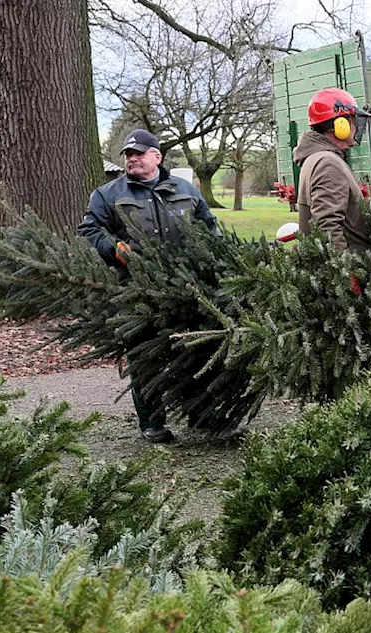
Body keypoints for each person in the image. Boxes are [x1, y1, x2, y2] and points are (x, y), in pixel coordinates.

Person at [78, 128, 219, 443]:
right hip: (137, 290)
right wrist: (113, 248)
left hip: (187, 288)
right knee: (145, 358)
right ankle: (152, 423)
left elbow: (210, 229)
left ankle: (201, 415)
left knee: (196, 352)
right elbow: (89, 229)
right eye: (128, 155)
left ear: (157, 156)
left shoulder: (186, 190)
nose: (132, 159)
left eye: (139, 153)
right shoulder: (108, 195)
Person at [295, 87, 371, 253]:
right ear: (339, 125)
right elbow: (327, 226)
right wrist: (347, 272)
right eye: (352, 120)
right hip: (346, 269)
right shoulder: (327, 163)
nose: (357, 127)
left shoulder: (317, 157)